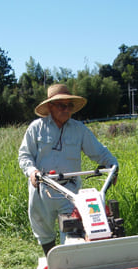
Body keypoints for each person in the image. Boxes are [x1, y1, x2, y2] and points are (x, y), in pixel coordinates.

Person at [18, 84, 118, 256]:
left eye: (69, 105)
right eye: (61, 105)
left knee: (72, 232)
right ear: (50, 106)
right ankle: (51, 263)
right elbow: (24, 156)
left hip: (69, 191)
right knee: (44, 231)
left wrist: (112, 164)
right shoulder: (36, 128)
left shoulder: (79, 130)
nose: (66, 109)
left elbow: (98, 152)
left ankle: (67, 266)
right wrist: (32, 171)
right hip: (42, 190)